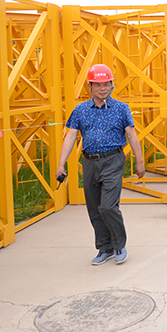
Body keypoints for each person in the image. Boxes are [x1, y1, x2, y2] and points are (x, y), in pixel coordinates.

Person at [56, 64, 145, 266]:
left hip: (113, 160)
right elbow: (70, 137)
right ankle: (105, 248)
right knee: (95, 208)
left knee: (108, 206)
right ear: (90, 87)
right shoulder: (80, 110)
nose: (102, 88)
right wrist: (61, 164)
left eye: (106, 84)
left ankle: (119, 245)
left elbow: (131, 135)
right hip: (89, 162)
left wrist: (139, 162)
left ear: (112, 85)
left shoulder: (121, 108)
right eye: (98, 85)